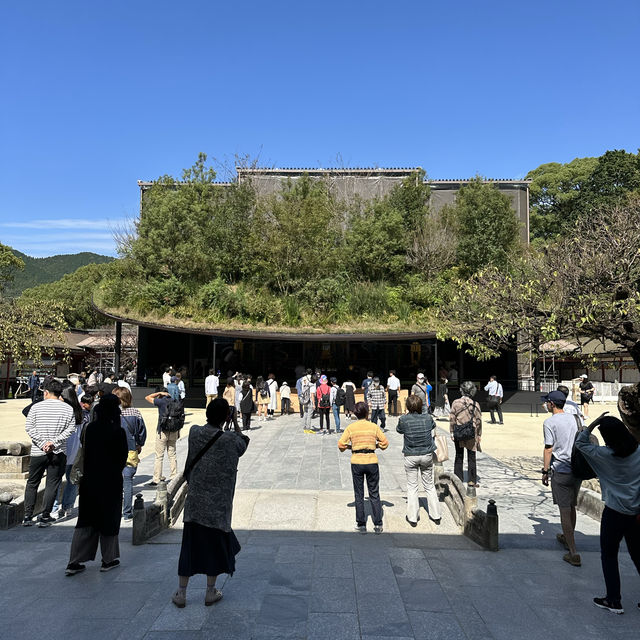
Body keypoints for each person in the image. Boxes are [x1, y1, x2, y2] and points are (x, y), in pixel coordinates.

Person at [171, 398, 249, 608]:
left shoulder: (195, 432)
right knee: (214, 548)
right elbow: (243, 443)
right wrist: (235, 421)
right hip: (217, 506)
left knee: (189, 547)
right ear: (225, 416)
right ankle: (210, 591)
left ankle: (181, 592)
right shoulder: (231, 440)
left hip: (195, 502)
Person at [574, 415, 640, 614]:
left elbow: (580, 443)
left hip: (614, 512)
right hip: (636, 513)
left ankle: (614, 600)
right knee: (638, 556)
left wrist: (593, 425)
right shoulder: (638, 452)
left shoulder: (602, 454)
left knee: (609, 556)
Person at [65, 394, 128, 576]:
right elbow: (121, 459)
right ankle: (108, 559)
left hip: (89, 480)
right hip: (111, 481)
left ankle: (74, 560)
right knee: (109, 519)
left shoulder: (89, 428)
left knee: (86, 520)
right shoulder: (118, 432)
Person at [23, 378, 76, 527]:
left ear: (46, 392)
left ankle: (27, 516)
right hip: (58, 451)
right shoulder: (68, 408)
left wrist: (42, 443)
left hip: (38, 451)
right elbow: (70, 429)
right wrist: (54, 442)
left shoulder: (36, 407)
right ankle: (46, 516)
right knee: (52, 483)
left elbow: (29, 427)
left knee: (33, 482)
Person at [540, 390, 582, 567]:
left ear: (552, 404)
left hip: (561, 469)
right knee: (572, 506)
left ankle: (573, 552)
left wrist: (545, 470)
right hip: (577, 469)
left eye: (547, 402)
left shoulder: (549, 422)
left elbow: (549, 448)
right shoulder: (574, 418)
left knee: (564, 509)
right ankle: (567, 536)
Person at [338, 401, 389, 534]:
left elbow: (341, 445)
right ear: (367, 413)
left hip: (357, 461)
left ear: (355, 413)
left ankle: (361, 524)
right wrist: (375, 446)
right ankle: (378, 524)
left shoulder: (351, 428)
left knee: (359, 494)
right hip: (372, 461)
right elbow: (385, 443)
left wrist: (351, 447)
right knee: (374, 493)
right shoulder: (373, 427)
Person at [396, 394, 441, 526]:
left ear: (408, 406)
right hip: (426, 454)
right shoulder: (428, 418)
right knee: (429, 485)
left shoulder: (403, 419)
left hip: (411, 454)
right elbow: (433, 426)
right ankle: (436, 515)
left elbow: (399, 430)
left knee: (412, 486)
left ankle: (413, 517)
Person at [113, 387, 147, 520]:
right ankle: (127, 513)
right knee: (127, 481)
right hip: (130, 449)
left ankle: (113, 510)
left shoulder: (111, 413)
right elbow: (142, 431)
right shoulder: (135, 413)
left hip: (113, 451)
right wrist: (139, 444)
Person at [53, 383, 87, 519]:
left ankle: (54, 508)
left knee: (55, 480)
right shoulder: (81, 412)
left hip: (60, 449)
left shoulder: (62, 411)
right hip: (75, 450)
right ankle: (68, 507)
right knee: (72, 480)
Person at [145, 388, 181, 486]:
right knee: (172, 454)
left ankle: (157, 478)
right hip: (174, 431)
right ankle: (174, 476)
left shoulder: (161, 402)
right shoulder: (176, 401)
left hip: (162, 431)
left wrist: (159, 393)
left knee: (159, 456)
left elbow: (147, 397)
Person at [449, 381, 482, 488]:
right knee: (472, 456)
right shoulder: (475, 404)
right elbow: (478, 421)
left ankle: (458, 479)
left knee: (459, 455)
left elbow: (452, 418)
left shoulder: (456, 403)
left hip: (459, 431)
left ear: (461, 390)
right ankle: (472, 480)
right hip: (471, 432)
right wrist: (479, 434)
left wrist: (452, 431)